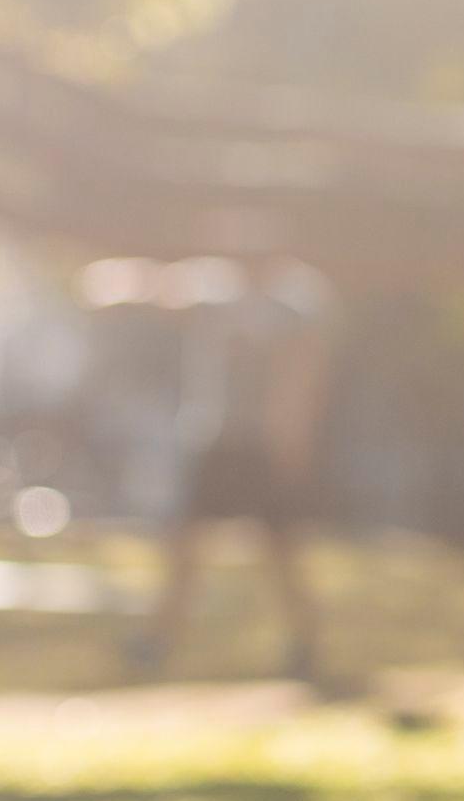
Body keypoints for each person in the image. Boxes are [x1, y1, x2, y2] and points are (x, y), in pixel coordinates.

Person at [125, 250, 338, 685]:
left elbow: (301, 375)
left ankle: (304, 642)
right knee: (185, 544)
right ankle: (158, 638)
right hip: (217, 443)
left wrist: (291, 440)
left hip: (260, 446)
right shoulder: (213, 295)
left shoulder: (292, 307)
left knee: (280, 549)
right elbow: (157, 290)